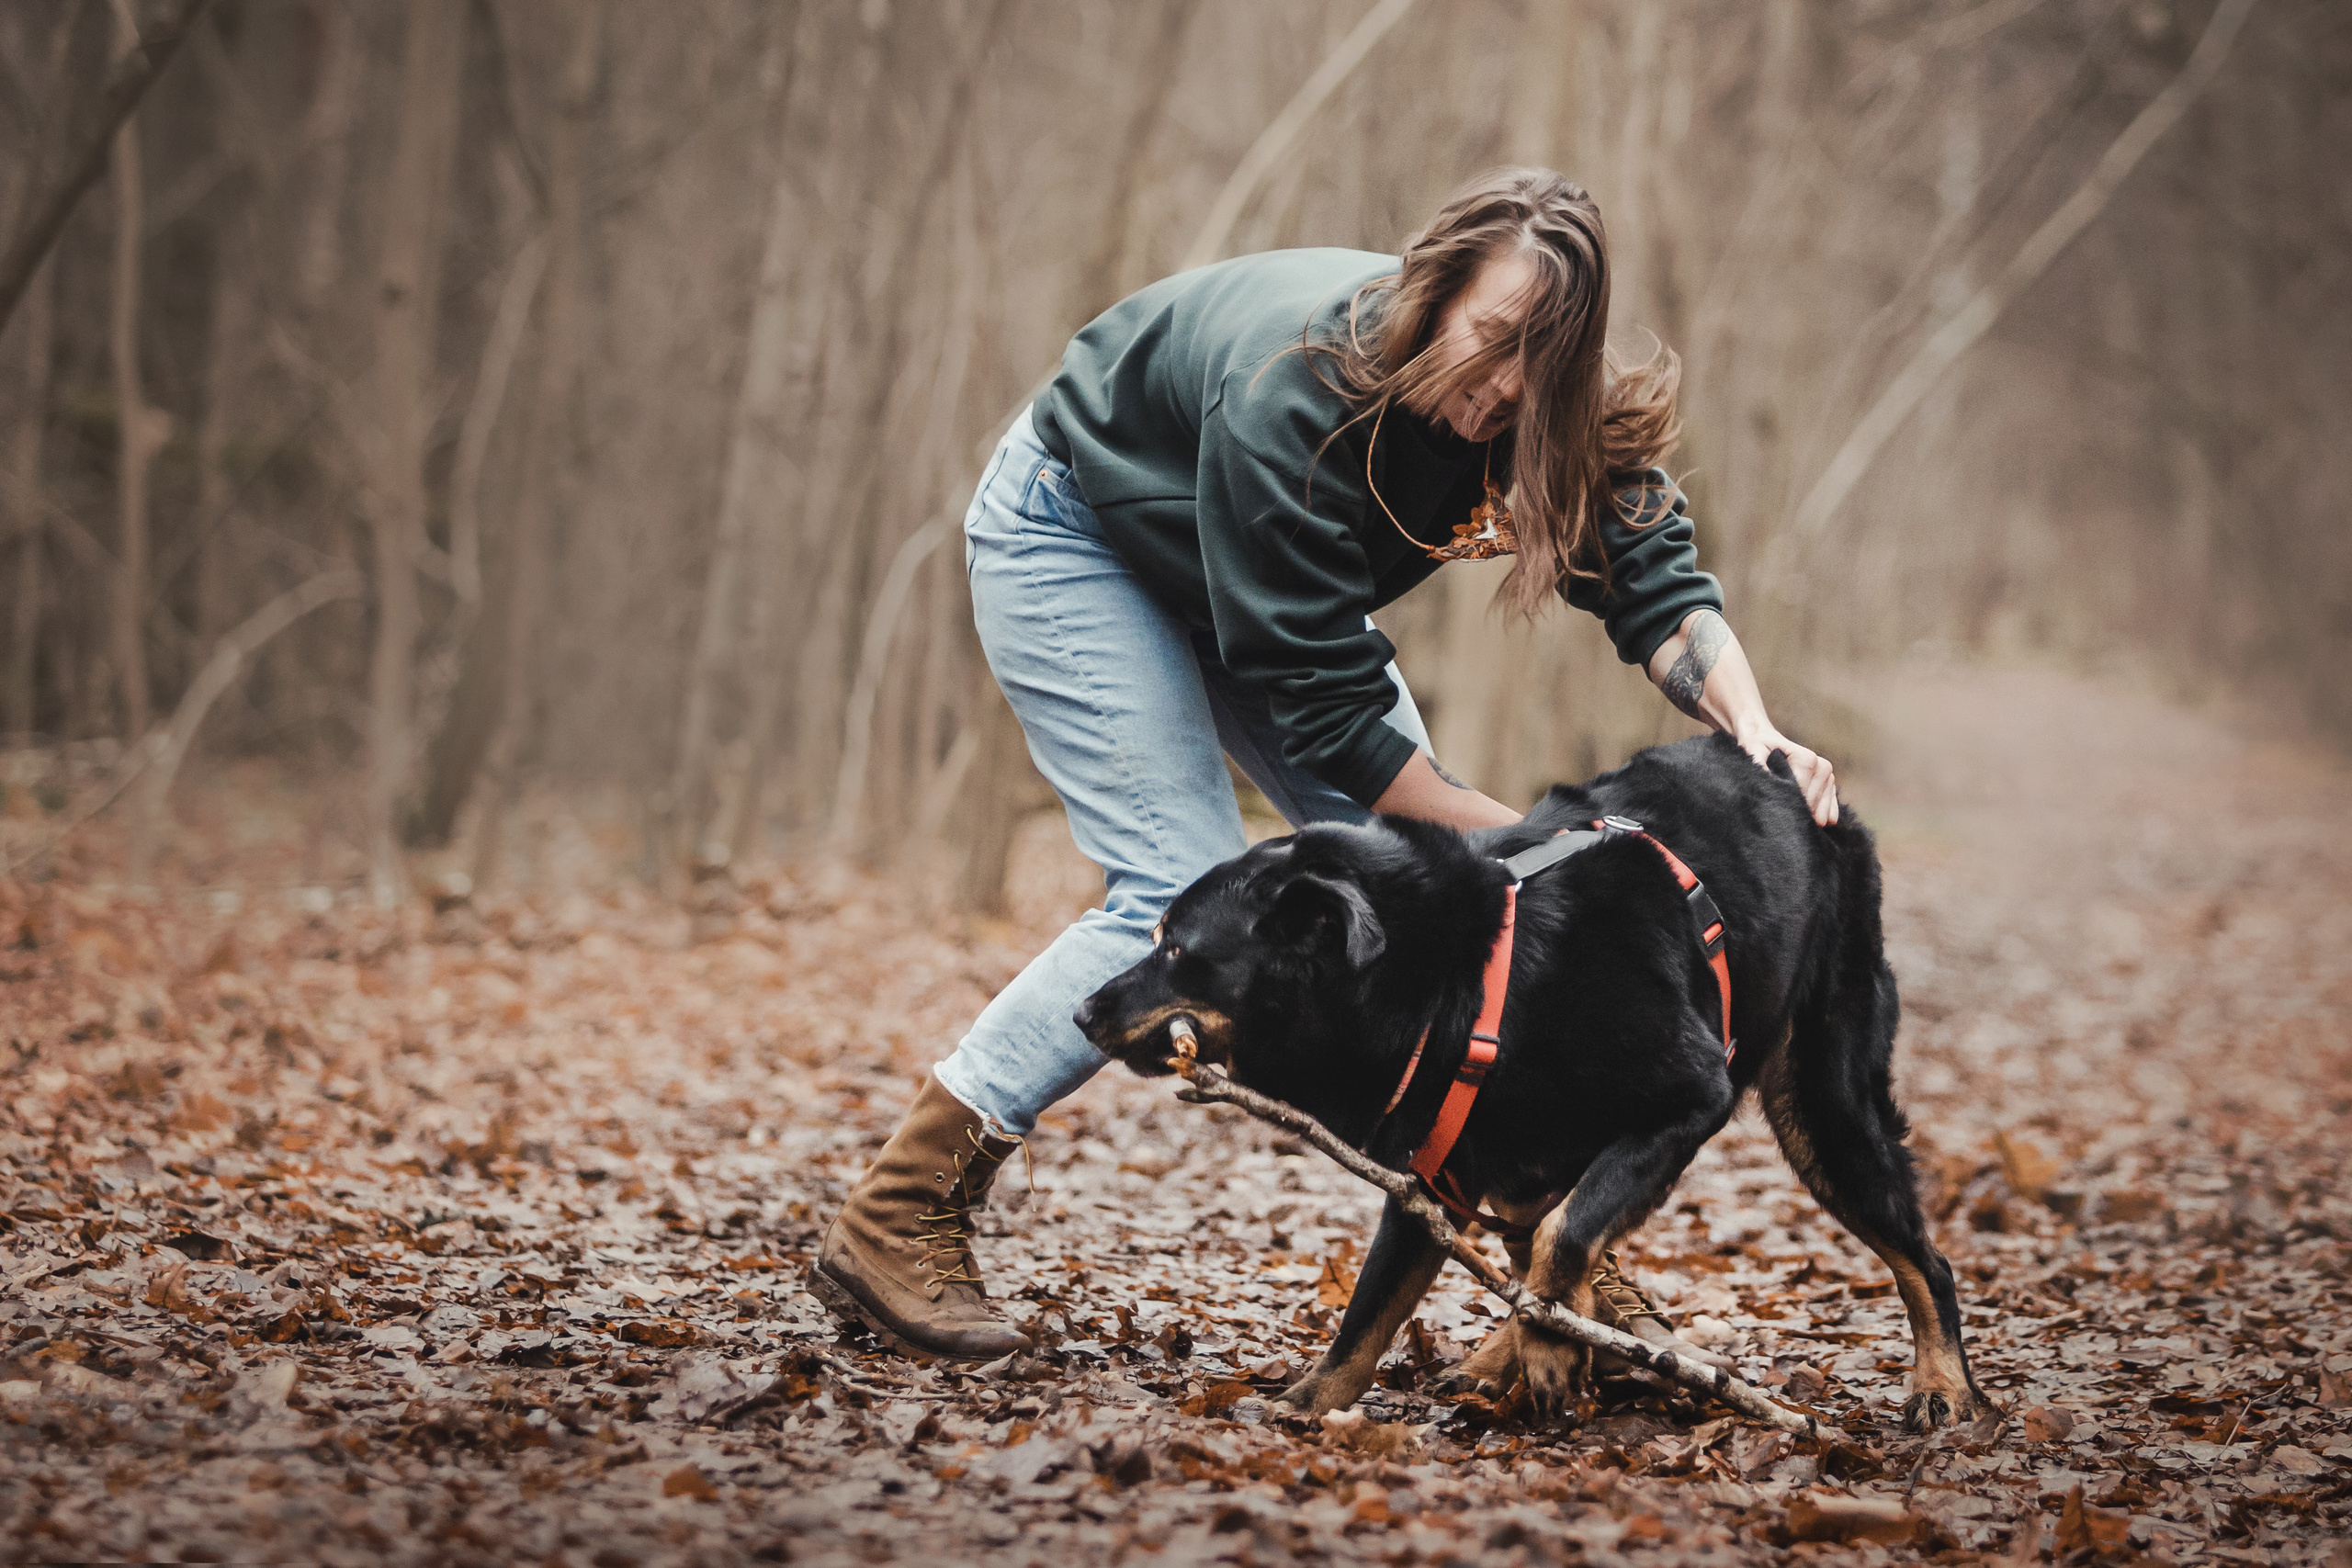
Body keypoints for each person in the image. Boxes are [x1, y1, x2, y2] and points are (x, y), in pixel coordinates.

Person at [808, 168, 1839, 1363]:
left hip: (1256, 594)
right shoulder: (1294, 388)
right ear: (1432, 291)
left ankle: (1557, 1257)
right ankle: (899, 1209)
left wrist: (1753, 729)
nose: (1509, 386)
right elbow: (1335, 717)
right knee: (1179, 881)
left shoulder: (1546, 402)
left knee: (1461, 904)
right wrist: (1534, 848)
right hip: (1079, 532)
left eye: (1542, 363)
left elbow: (1657, 585)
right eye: (1493, 338)